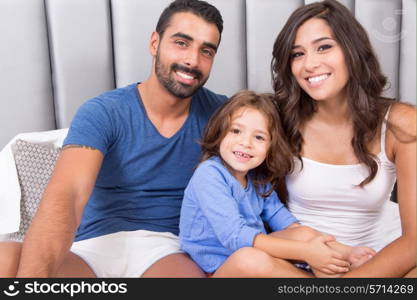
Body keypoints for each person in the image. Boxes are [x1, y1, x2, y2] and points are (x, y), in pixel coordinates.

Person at [0, 0, 227, 278]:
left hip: (166, 249)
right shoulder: (103, 112)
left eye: (206, 51)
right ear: (154, 43)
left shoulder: (224, 116)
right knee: (4, 258)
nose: (193, 60)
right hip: (93, 245)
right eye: (181, 43)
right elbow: (67, 194)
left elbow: (277, 133)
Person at [271, 0, 416, 277]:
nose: (310, 64)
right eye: (297, 54)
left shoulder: (402, 124)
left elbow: (414, 242)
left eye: (324, 47)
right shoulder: (278, 119)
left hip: (375, 264)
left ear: (351, 50)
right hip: (303, 263)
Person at [179, 90, 376, 278]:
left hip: (256, 254)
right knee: (252, 259)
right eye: (236, 131)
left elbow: (280, 217)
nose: (245, 142)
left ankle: (346, 261)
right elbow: (235, 236)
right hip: (218, 268)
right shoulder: (210, 174)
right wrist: (306, 252)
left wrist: (341, 250)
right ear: (220, 132)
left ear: (270, 147)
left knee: (302, 232)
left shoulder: (256, 177)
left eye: (259, 137)